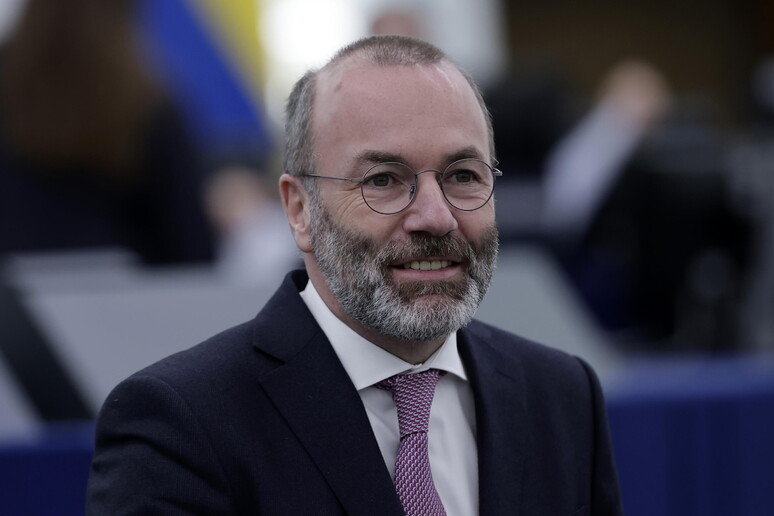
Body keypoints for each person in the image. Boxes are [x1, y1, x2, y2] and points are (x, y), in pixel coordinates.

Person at [87, 35, 623, 515]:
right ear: (300, 210)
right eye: (385, 180)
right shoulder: (184, 424)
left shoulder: (561, 397)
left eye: (463, 175)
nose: (436, 216)